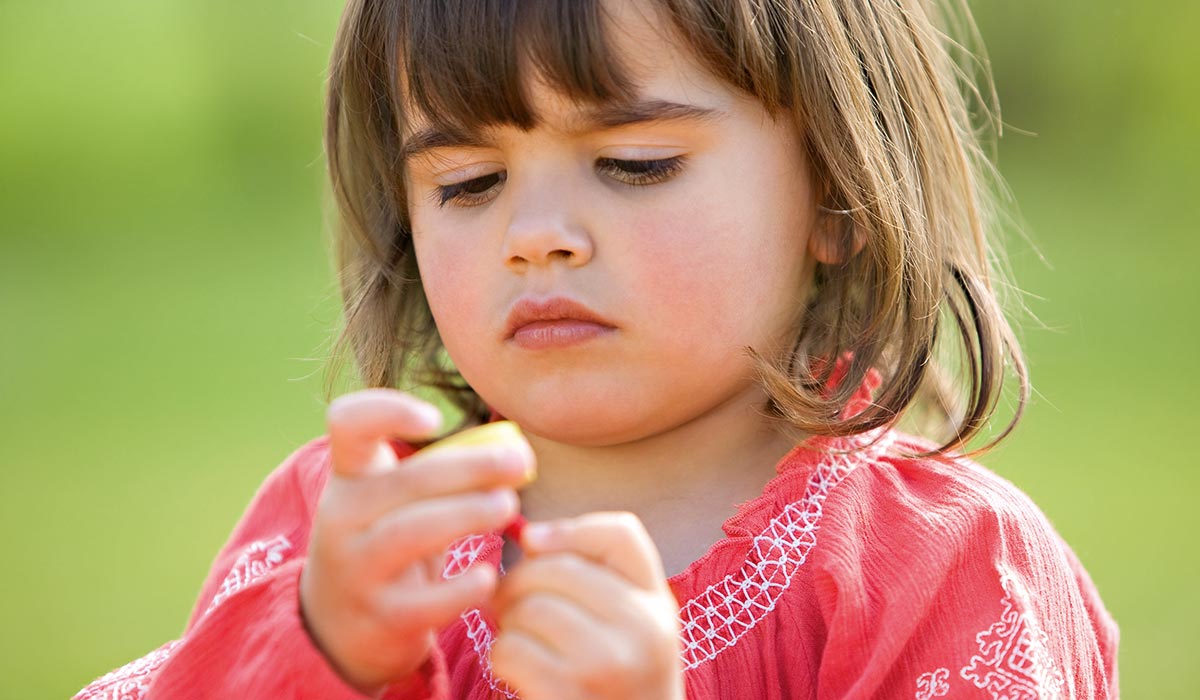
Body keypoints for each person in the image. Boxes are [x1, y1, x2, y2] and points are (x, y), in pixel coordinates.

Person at [73, 0, 1119, 698]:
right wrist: (312, 652)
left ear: (839, 187)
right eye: (468, 183)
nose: (537, 234)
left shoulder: (943, 567)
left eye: (633, 162)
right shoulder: (345, 537)